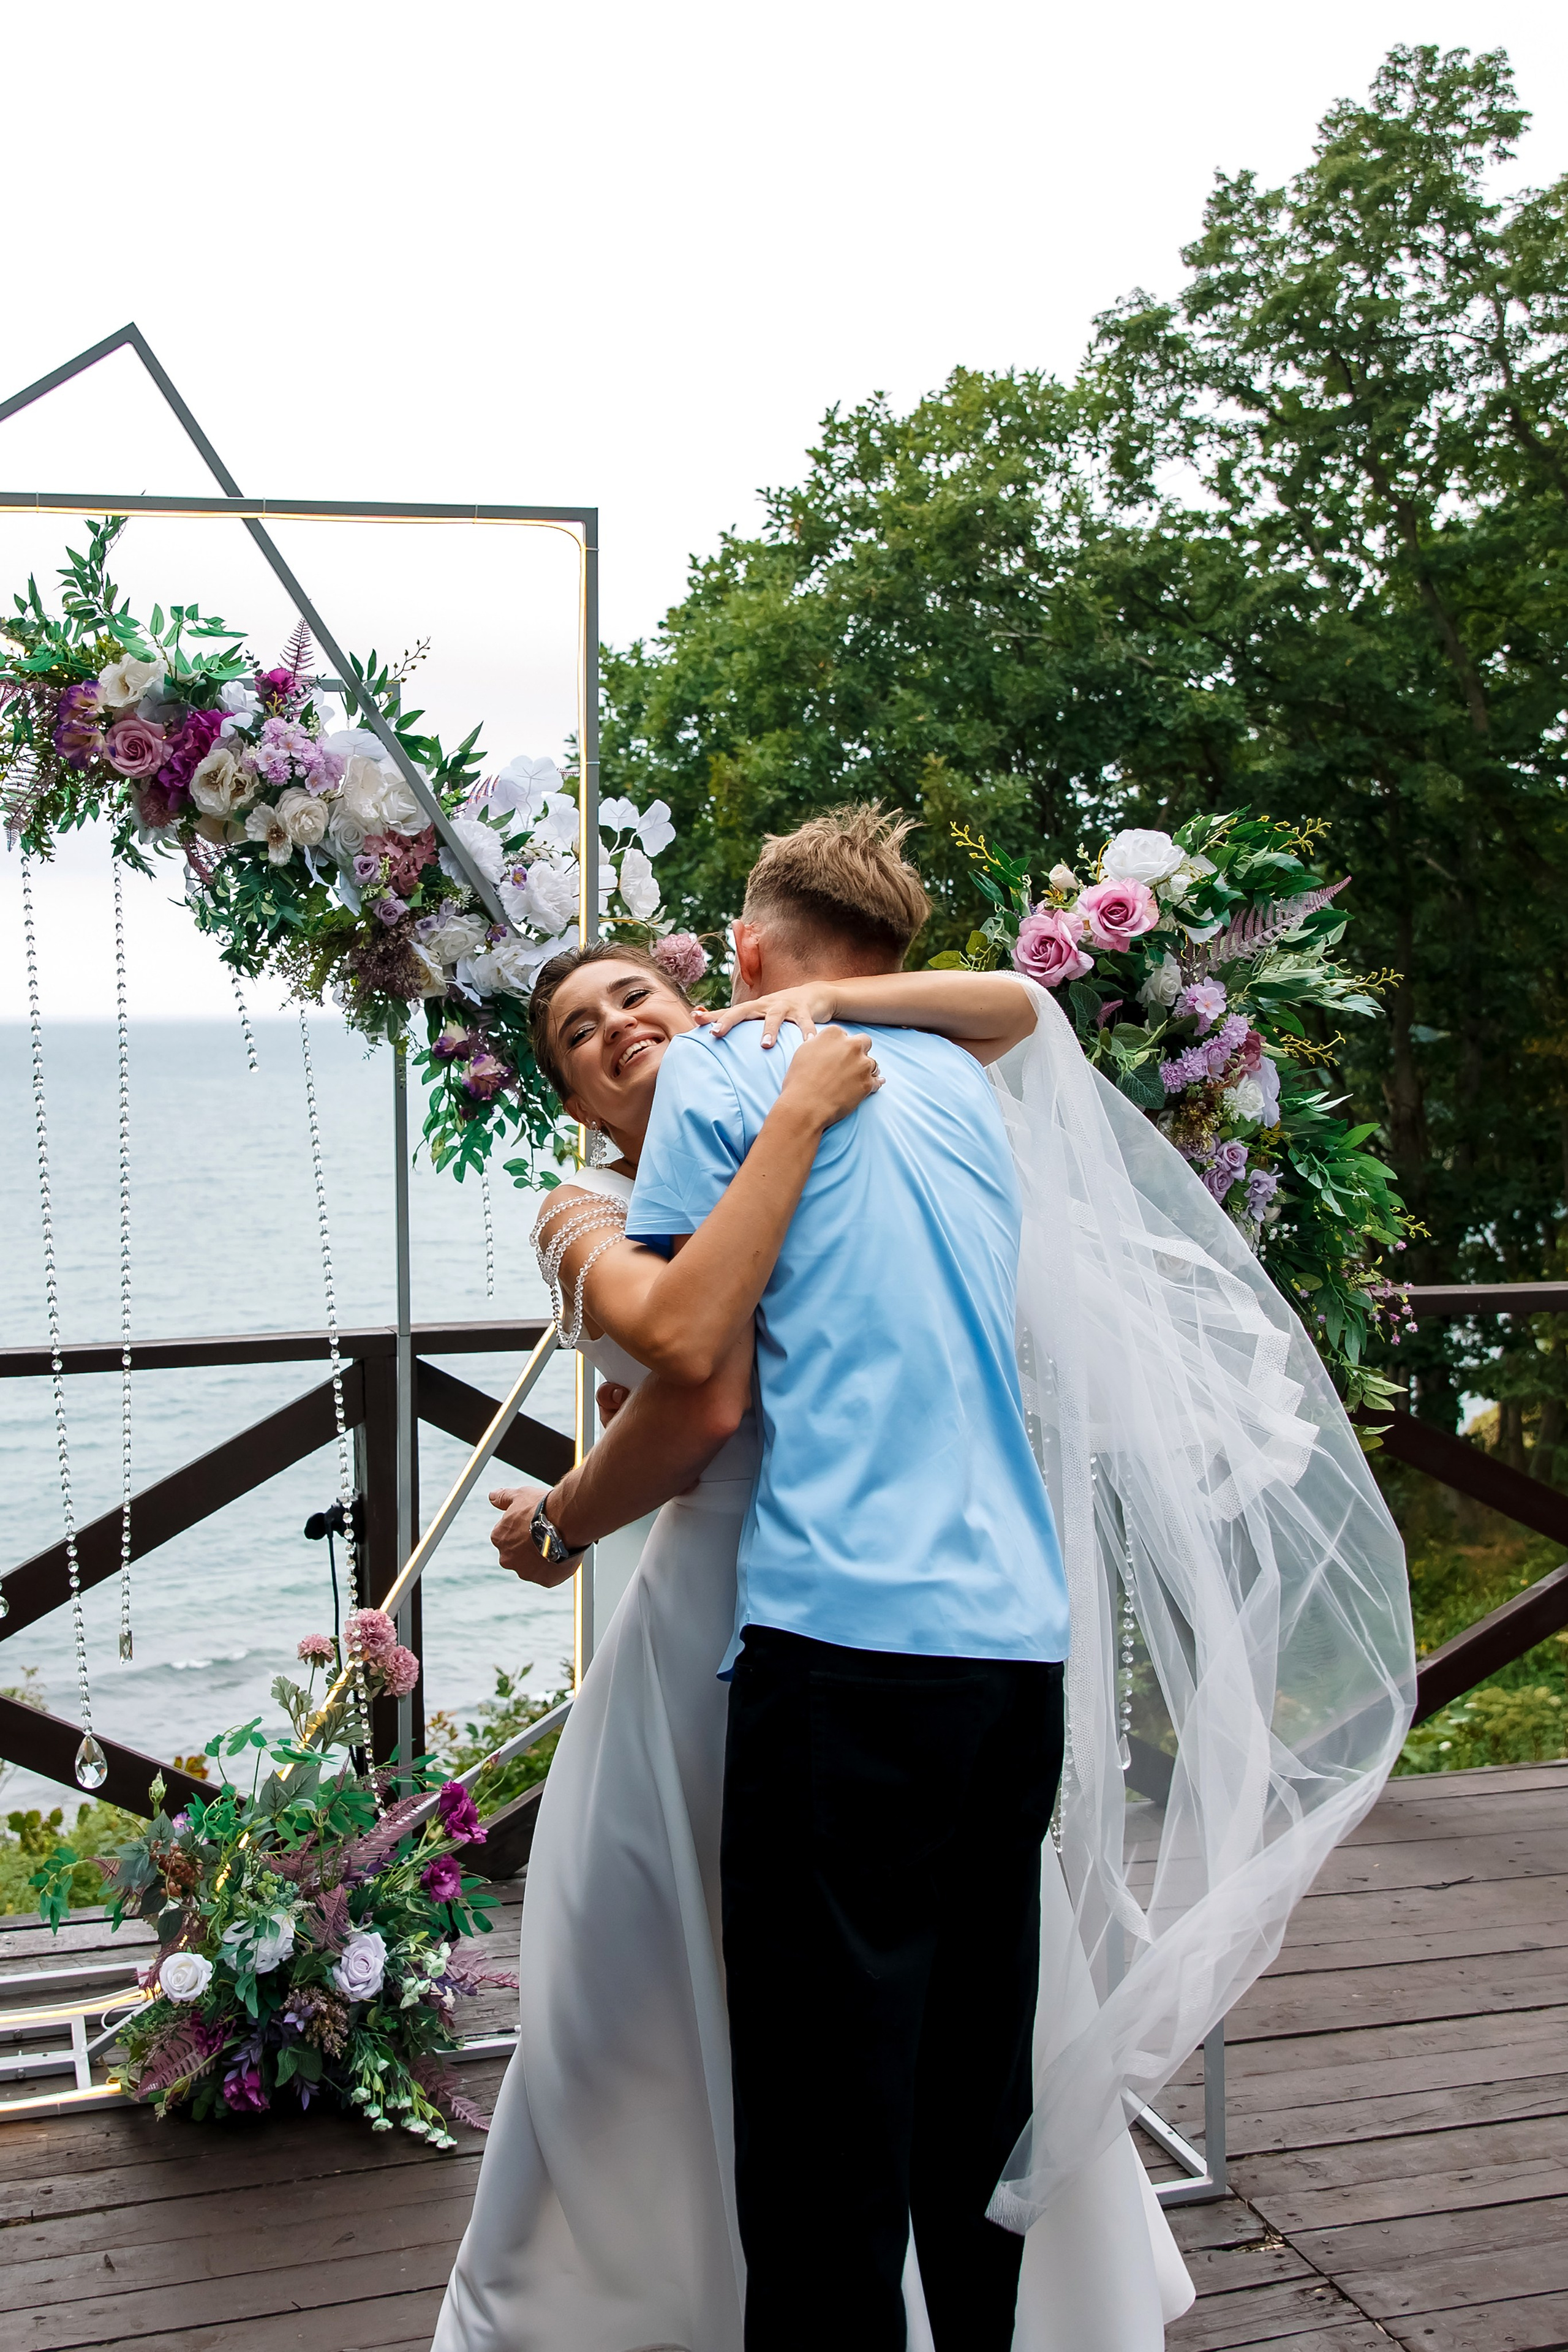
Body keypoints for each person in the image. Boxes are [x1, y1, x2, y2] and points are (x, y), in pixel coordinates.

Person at [434, 812, 1194, 2352]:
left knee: (815, 2143)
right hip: (997, 1645)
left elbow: (698, 1386)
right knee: (954, 2095)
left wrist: (561, 1527)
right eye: (584, 1033)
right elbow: (1016, 1009)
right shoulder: (942, 1080)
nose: (631, 1030)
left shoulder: (741, 1069)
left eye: (636, 998)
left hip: (829, 1636)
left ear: (733, 967)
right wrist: (843, 1015)